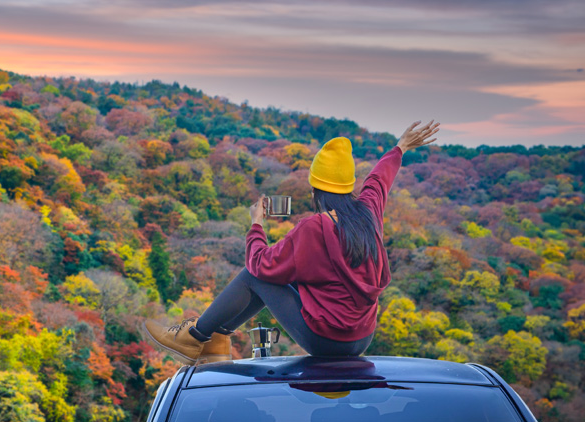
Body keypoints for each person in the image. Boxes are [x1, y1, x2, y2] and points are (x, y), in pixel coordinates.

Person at [142, 120, 440, 364]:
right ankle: (216, 339)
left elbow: (259, 265)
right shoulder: (369, 213)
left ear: (316, 190)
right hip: (362, 337)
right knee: (281, 275)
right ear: (349, 187)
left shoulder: (313, 228)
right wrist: (400, 148)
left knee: (255, 276)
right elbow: (379, 180)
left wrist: (256, 224)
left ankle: (195, 338)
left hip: (327, 340)